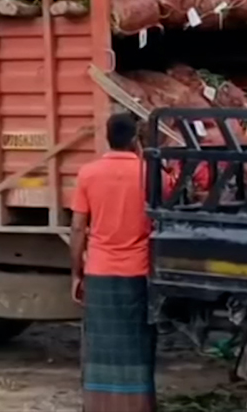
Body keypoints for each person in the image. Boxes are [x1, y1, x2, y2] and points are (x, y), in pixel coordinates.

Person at [70, 112, 157, 412]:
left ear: (107, 138)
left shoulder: (88, 174)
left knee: (100, 345)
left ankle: (99, 405)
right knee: (137, 343)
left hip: (99, 270)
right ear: (135, 139)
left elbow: (78, 228)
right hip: (138, 272)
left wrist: (76, 273)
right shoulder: (149, 173)